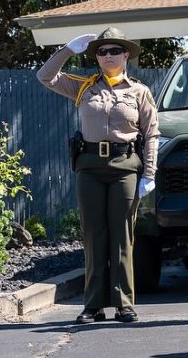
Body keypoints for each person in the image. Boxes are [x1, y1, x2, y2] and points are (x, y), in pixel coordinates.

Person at [37, 28, 159, 324]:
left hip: (125, 166)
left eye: (114, 50)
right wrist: (67, 50)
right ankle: (92, 305)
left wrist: (149, 173)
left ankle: (124, 304)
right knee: (93, 236)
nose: (108, 56)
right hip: (90, 167)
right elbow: (45, 76)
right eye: (102, 52)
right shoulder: (84, 86)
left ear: (126, 54)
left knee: (122, 236)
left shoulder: (139, 91)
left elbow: (152, 133)